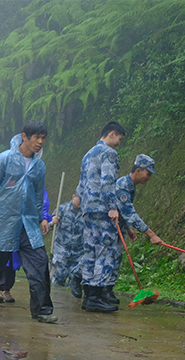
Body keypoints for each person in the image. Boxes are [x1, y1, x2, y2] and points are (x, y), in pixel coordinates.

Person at [0, 121, 56, 323]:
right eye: (37, 137)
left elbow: (38, 195)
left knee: (40, 262)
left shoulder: (39, 166)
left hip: (27, 224)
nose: (40, 142)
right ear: (24, 136)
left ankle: (42, 309)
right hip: (2, 221)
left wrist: (40, 218)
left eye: (43, 138)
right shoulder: (4, 159)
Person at [77, 121, 126, 312]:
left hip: (88, 209)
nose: (119, 143)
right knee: (105, 252)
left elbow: (81, 185)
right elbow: (108, 181)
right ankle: (96, 295)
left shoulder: (88, 154)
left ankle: (89, 296)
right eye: (119, 138)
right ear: (112, 134)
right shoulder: (109, 153)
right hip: (102, 209)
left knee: (90, 251)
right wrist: (112, 207)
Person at [112, 154, 164, 289]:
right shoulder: (123, 186)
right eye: (148, 173)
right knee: (105, 259)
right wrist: (151, 235)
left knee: (115, 258)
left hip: (118, 227)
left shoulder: (131, 186)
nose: (149, 178)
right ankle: (82, 280)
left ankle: (106, 291)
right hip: (108, 228)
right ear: (138, 170)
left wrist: (128, 227)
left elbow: (124, 211)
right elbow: (129, 213)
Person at [50, 192, 84, 298]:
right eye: (79, 198)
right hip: (61, 251)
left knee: (74, 282)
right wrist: (52, 222)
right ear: (73, 196)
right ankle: (55, 303)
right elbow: (48, 227)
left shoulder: (85, 212)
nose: (81, 202)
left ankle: (70, 308)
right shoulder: (62, 209)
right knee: (58, 278)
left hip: (78, 253)